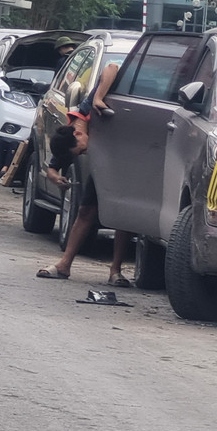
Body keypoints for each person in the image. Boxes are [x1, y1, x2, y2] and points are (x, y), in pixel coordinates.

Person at [36, 62, 130, 285]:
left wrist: (99, 96)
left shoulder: (89, 107)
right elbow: (54, 166)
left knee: (123, 216)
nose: (83, 152)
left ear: (78, 135)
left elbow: (112, 67)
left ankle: (116, 271)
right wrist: (54, 176)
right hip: (103, 168)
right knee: (85, 211)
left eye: (81, 150)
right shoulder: (70, 137)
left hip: (126, 164)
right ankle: (64, 265)